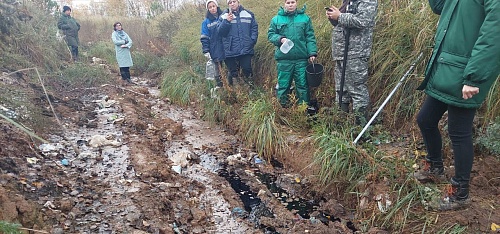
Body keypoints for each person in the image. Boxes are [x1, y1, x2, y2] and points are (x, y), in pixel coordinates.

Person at [413, 0, 500, 211]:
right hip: (447, 67)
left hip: (467, 72)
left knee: (459, 131)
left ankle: (461, 192)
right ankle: (435, 166)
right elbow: (439, 6)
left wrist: (474, 77)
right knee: (425, 120)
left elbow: (494, 36)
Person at [325, 0, 377, 123]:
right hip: (340, 53)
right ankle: (341, 125)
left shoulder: (367, 1)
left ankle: (360, 128)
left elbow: (363, 20)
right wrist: (334, 17)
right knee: (341, 90)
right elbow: (342, 24)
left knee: (357, 89)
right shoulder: (349, 1)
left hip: (356, 53)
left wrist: (340, 16)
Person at [268, 0, 317, 108]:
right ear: (284, 4)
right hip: (284, 60)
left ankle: (303, 110)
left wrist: (312, 53)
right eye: (288, 2)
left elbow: (310, 37)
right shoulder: (276, 19)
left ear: (296, 3)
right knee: (283, 86)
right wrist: (280, 39)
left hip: (301, 59)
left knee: (302, 86)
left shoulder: (305, 18)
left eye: (292, 2)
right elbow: (271, 35)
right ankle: (283, 110)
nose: (290, 5)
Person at [218, 0, 258, 86]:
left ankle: (250, 91)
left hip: (246, 49)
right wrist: (226, 21)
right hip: (230, 50)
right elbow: (221, 32)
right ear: (228, 4)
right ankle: (236, 93)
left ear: (238, 2)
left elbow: (254, 28)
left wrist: (252, 41)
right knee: (234, 73)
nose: (232, 4)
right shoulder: (223, 16)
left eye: (234, 1)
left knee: (247, 70)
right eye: (230, 2)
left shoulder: (248, 14)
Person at [200, 0, 225, 88]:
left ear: (217, 6)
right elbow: (204, 37)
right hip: (215, 49)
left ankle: (232, 88)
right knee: (217, 70)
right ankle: (220, 88)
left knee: (230, 68)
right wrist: (206, 50)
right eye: (210, 7)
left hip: (226, 47)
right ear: (208, 9)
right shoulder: (206, 22)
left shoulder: (223, 16)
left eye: (213, 6)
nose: (212, 8)